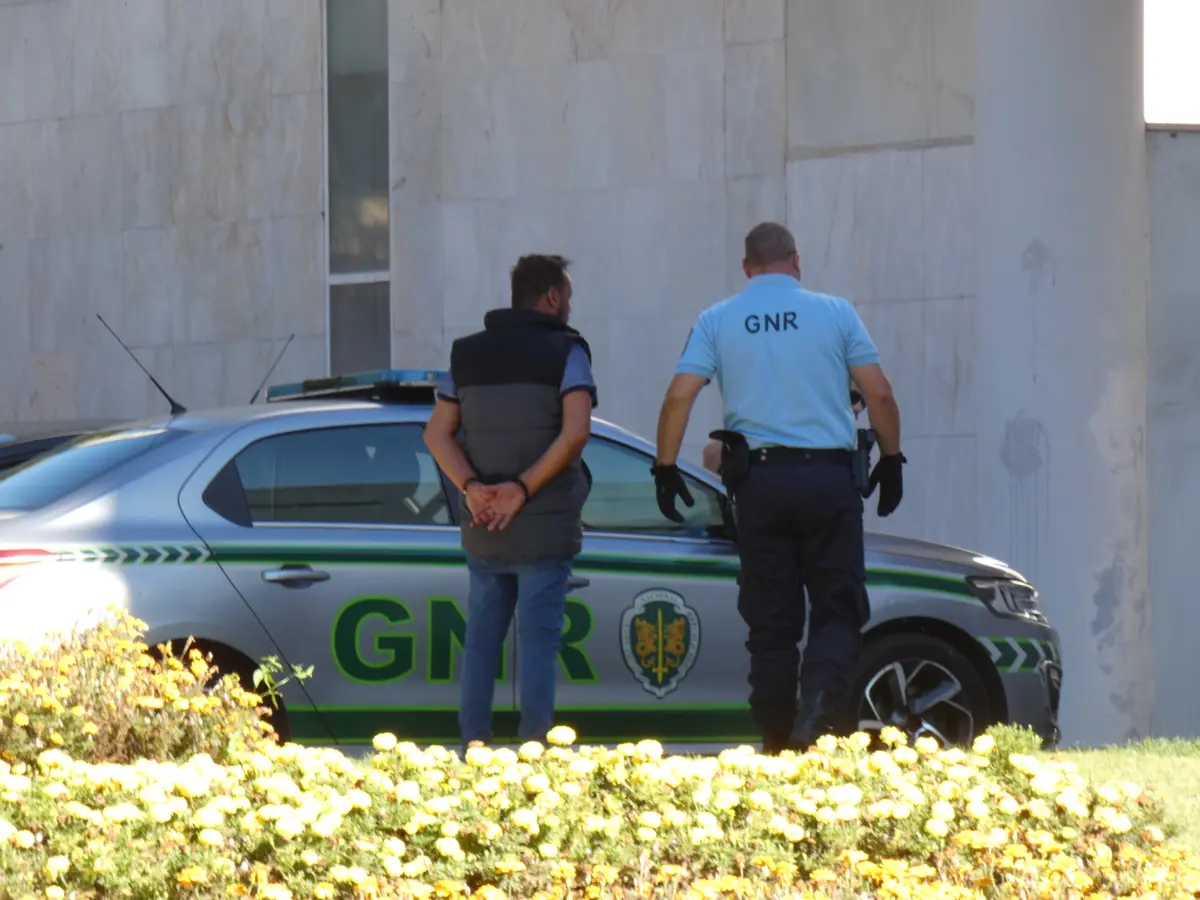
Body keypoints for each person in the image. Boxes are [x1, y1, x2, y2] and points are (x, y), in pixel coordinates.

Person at [650, 222, 905, 755]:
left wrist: (666, 466)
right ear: (796, 261)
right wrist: (893, 457)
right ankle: (817, 718)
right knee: (836, 609)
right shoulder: (835, 312)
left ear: (746, 268)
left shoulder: (717, 319)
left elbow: (679, 399)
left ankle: (773, 735)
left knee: (770, 619)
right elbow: (877, 394)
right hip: (828, 482)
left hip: (760, 484)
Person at [423, 254, 597, 751]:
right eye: (568, 294)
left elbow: (437, 434)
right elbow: (576, 432)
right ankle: (533, 750)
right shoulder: (568, 351)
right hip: (543, 525)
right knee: (539, 641)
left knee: (480, 640)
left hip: (483, 525)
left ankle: (473, 746)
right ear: (552, 297)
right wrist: (520, 490)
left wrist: (473, 488)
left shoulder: (467, 355)